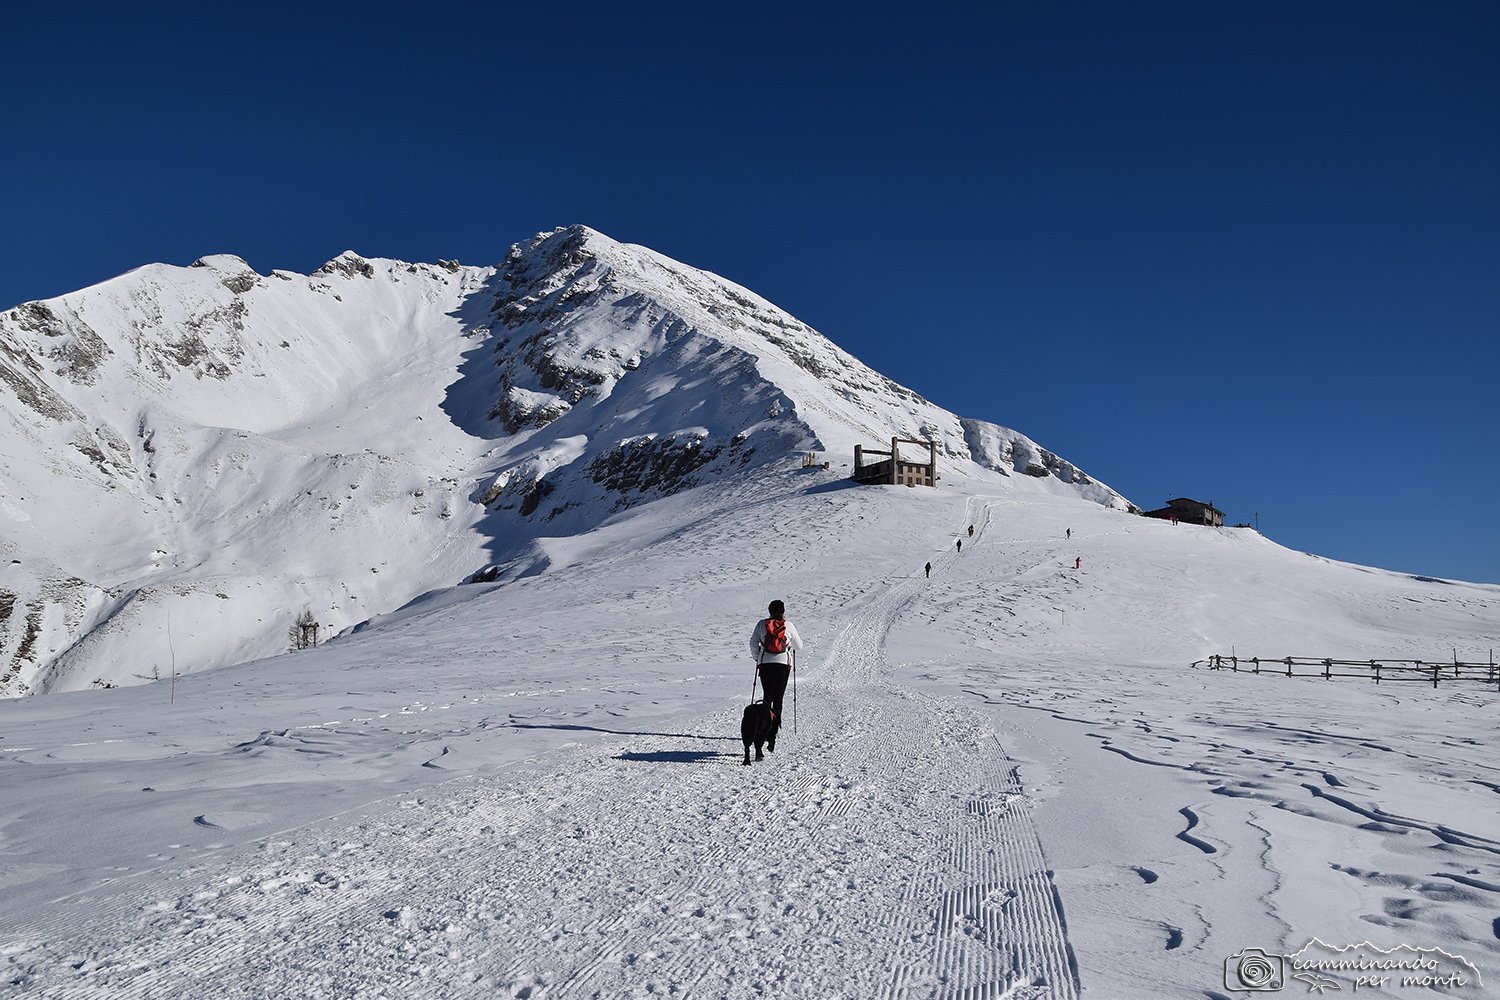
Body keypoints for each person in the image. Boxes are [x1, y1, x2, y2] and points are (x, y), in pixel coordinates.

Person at [749, 600, 804, 752]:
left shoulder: (761, 625)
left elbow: (753, 644)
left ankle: (764, 728)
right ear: (783, 610)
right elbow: (799, 646)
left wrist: (757, 658)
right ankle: (774, 730)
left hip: (765, 663)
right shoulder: (788, 625)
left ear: (769, 610)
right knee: (778, 698)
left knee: (767, 697)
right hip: (782, 665)